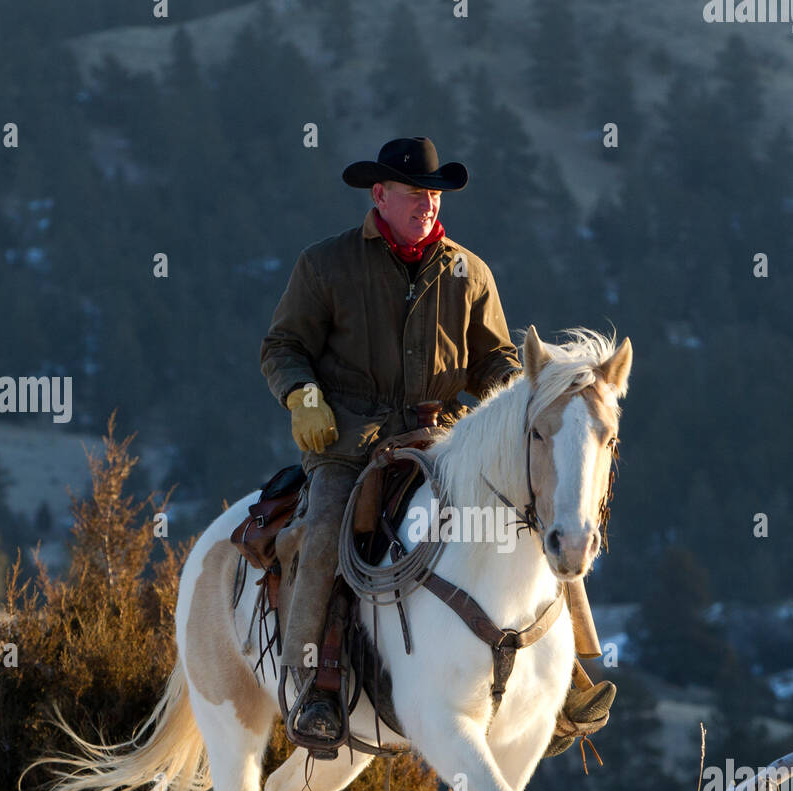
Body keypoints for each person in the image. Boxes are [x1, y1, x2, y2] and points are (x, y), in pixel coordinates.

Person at [260, 136, 613, 750]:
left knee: (541, 513)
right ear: (380, 195)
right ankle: (314, 686)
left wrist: (517, 392)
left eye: (434, 194)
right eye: (415, 193)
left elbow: (497, 359)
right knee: (324, 536)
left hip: (444, 440)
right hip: (349, 441)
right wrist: (302, 395)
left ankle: (568, 680)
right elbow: (282, 347)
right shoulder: (326, 265)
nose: (428, 204)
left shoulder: (468, 271)